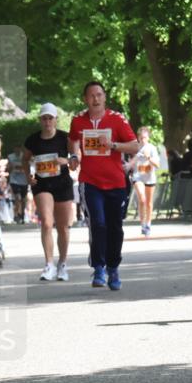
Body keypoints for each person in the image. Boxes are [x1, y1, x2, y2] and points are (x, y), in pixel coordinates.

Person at [68, 82, 139, 290]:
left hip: (116, 182)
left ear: (104, 97)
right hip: (90, 182)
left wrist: (114, 145)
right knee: (98, 224)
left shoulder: (117, 120)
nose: (95, 99)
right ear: (85, 99)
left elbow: (135, 145)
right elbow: (72, 140)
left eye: (99, 95)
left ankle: (113, 268)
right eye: (91, 96)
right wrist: (74, 155)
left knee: (115, 228)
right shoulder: (78, 121)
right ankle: (98, 267)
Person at [24, 103, 74, 280]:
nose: (47, 122)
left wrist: (66, 160)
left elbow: (76, 159)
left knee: (63, 226)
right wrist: (28, 176)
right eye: (44, 118)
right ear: (40, 120)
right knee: (46, 222)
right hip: (42, 184)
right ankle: (49, 264)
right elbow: (25, 159)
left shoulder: (65, 138)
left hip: (62, 184)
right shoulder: (33, 140)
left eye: (50, 118)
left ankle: (63, 264)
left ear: (55, 119)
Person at [127, 126, 159, 236]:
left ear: (148, 138)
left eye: (145, 137)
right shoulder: (135, 148)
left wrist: (149, 157)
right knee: (142, 199)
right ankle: (142, 225)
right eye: (141, 137)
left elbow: (157, 165)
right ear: (138, 138)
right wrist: (128, 165)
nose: (143, 140)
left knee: (149, 203)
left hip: (149, 177)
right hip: (138, 176)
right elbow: (131, 162)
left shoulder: (152, 148)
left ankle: (148, 224)